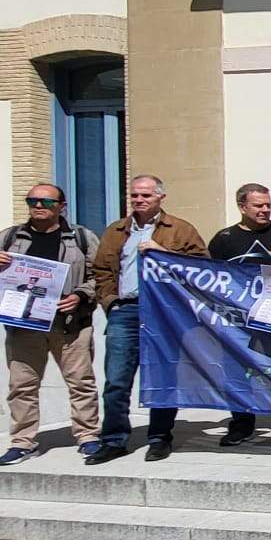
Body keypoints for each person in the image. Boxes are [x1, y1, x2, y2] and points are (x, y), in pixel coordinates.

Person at [87, 174, 208, 464]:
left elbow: (202, 267)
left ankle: (159, 437)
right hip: (125, 310)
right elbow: (101, 270)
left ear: (160, 198)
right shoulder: (116, 231)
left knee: (163, 376)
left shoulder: (181, 229)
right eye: (135, 196)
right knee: (116, 379)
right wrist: (110, 302)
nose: (139, 201)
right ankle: (114, 439)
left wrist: (163, 252)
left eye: (146, 196)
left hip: (164, 312)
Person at [0, 185, 102, 466]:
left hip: (70, 325)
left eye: (46, 200)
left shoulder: (82, 238)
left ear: (62, 205)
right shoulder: (10, 237)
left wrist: (80, 295)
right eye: (32, 200)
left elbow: (102, 276)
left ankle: (88, 436)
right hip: (24, 327)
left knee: (81, 383)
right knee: (21, 386)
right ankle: (22, 442)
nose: (38, 205)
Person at [209, 183, 271, 448]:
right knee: (236, 371)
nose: (265, 210)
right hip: (237, 319)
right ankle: (241, 424)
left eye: (268, 205)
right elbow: (210, 276)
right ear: (242, 207)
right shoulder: (224, 239)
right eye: (258, 205)